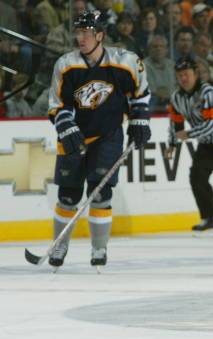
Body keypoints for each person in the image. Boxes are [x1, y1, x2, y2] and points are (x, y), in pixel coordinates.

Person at [47, 10, 151, 270]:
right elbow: (57, 104)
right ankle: (60, 244)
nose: (81, 38)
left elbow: (141, 94)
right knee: (68, 196)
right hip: (74, 137)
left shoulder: (125, 62)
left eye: (87, 33)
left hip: (108, 136)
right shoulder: (65, 64)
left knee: (100, 192)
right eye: (78, 32)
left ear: (100, 35)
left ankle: (99, 248)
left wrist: (140, 120)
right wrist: (66, 127)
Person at [165, 56, 213, 233]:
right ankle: (209, 219)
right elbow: (175, 123)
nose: (183, 78)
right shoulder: (176, 98)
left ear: (196, 74)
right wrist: (172, 144)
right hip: (207, 145)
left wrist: (188, 134)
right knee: (197, 177)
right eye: (180, 75)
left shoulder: (209, 93)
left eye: (186, 74)